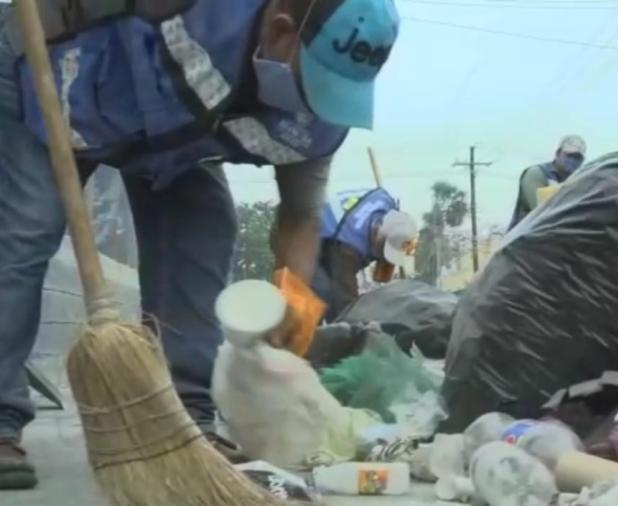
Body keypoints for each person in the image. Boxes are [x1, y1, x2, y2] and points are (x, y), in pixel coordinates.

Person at [0, 0, 399, 490]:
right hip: (49, 65)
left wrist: (292, 320)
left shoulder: (317, 120)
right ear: (279, 32)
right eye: (314, 83)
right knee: (26, 227)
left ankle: (188, 416)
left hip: (168, 133)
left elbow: (301, 215)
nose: (316, 105)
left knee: (204, 228)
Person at [311, 187, 417, 321]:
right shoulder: (350, 248)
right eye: (384, 253)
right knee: (322, 293)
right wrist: (356, 329)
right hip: (308, 234)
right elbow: (345, 300)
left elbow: (381, 277)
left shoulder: (387, 203)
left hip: (333, 231)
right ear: (377, 238)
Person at [508, 135, 587, 230]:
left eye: (577, 157)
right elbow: (541, 212)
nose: (573, 160)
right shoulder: (537, 173)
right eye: (569, 155)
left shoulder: (577, 182)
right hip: (525, 239)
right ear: (558, 153)